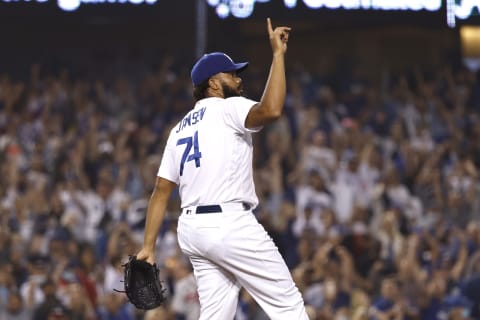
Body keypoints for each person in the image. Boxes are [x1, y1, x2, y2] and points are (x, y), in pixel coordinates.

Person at [136, 18, 309, 319]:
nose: (238, 79)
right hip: (229, 224)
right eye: (231, 74)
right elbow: (271, 110)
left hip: (193, 232)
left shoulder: (178, 130)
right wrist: (278, 56)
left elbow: (161, 192)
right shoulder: (228, 107)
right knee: (288, 304)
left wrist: (149, 247)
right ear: (213, 84)